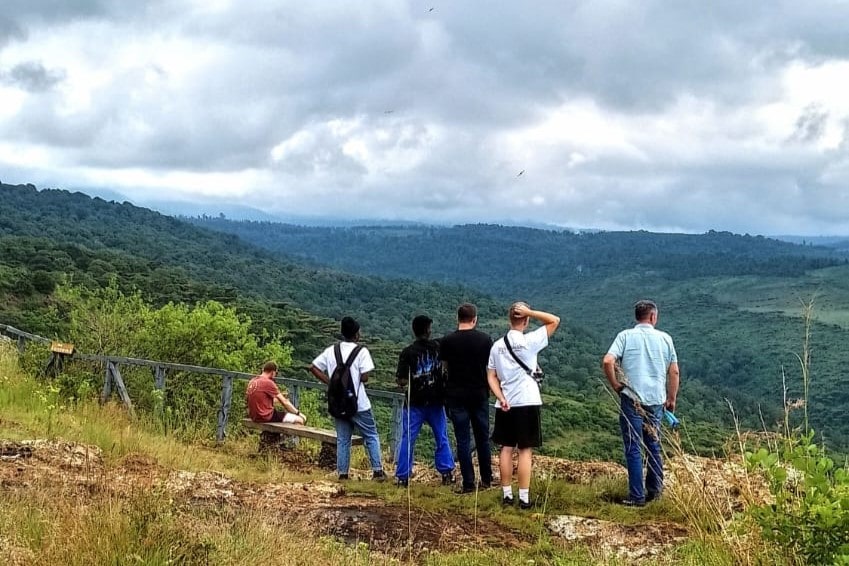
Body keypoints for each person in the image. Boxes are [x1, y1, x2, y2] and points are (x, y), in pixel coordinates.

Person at [602, 299, 679, 507]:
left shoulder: (625, 336)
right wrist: (671, 399)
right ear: (653, 316)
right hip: (656, 400)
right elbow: (674, 371)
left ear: (637, 317)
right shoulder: (665, 339)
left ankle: (637, 496)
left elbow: (608, 361)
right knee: (653, 445)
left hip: (631, 398)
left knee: (633, 448)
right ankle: (655, 491)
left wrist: (616, 385)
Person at [487, 302, 560, 509]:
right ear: (526, 321)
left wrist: (500, 397)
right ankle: (525, 498)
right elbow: (555, 320)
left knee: (506, 448)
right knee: (525, 449)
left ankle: (507, 494)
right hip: (527, 400)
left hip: (505, 403)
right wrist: (530, 312)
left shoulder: (497, 346)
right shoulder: (530, 341)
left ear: (509, 320)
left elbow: (491, 376)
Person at [310, 317, 386, 481]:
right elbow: (364, 377)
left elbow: (313, 367)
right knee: (371, 435)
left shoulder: (332, 350)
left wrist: (331, 384)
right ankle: (378, 471)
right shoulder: (361, 351)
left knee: (343, 439)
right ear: (357, 334)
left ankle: (343, 474)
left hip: (338, 402)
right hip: (359, 403)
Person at [394, 315, 455, 487]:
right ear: (428, 330)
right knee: (441, 437)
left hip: (414, 403)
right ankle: (447, 472)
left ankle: (403, 477)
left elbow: (401, 380)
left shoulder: (407, 352)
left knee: (407, 439)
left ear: (414, 331)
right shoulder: (438, 347)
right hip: (436, 402)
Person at [440, 303, 494, 493]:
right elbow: (490, 368)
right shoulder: (485, 340)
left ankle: (468, 483)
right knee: (482, 438)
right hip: (479, 394)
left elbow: (445, 368)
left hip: (456, 395)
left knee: (462, 439)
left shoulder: (447, 341)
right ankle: (487, 480)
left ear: (458, 319)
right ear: (475, 319)